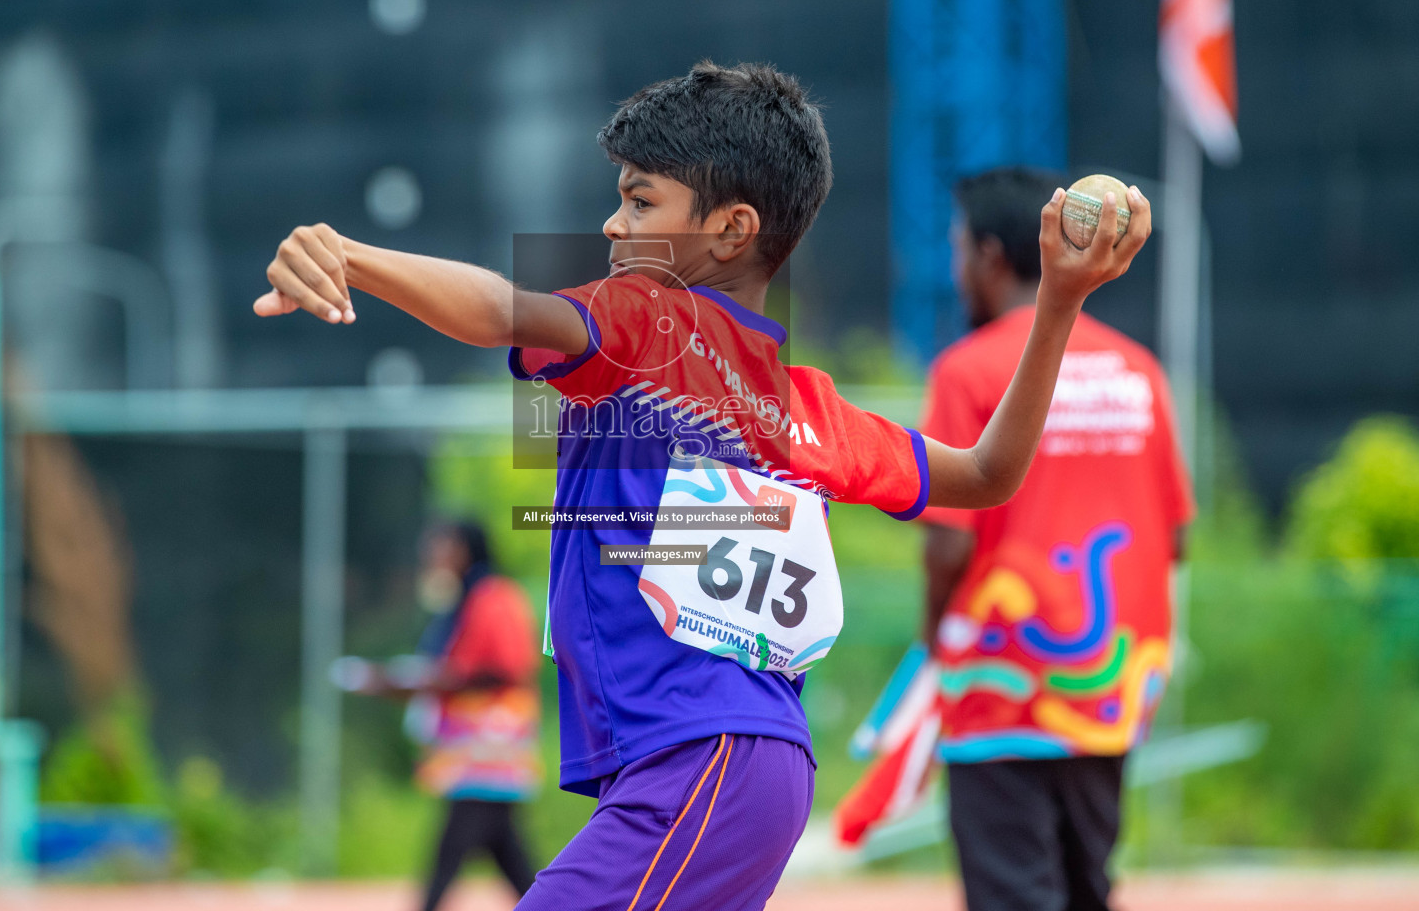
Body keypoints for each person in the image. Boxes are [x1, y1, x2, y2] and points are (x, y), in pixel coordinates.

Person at [258, 62, 1150, 911]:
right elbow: (988, 474)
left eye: (640, 200)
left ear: (730, 229)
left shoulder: (642, 319)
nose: (613, 225)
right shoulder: (811, 409)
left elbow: (500, 307)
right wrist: (1058, 304)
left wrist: (352, 256)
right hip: (740, 761)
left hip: (705, 755)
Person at [918, 167, 1194, 911]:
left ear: (991, 256)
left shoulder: (966, 371)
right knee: (1085, 889)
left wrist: (931, 643)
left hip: (1000, 686)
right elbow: (1174, 539)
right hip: (1110, 685)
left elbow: (947, 543)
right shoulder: (1139, 371)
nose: (955, 269)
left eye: (956, 249)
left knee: (1012, 894)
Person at [336, 521, 540, 910]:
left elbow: (505, 668)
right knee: (507, 853)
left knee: (454, 849)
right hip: (472, 750)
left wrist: (421, 680)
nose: (433, 558)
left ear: (467, 549)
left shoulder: (494, 597)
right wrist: (397, 682)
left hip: (491, 748)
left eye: (441, 548)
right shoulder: (463, 600)